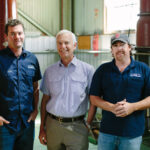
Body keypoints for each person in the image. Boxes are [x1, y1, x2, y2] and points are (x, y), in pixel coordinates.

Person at [89, 33, 150, 150]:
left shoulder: (143, 69)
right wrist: (112, 107)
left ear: (129, 47)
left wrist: (132, 107)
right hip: (107, 133)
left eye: (122, 44)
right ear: (111, 50)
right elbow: (94, 98)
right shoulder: (103, 70)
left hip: (132, 134)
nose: (119, 48)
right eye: (115, 45)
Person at [39, 29, 95, 150]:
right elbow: (44, 101)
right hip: (53, 126)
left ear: (74, 45)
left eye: (66, 43)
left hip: (77, 128)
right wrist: (42, 128)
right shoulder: (49, 71)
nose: (62, 46)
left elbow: (94, 101)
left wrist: (88, 123)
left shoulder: (88, 70)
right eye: (59, 43)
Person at [0, 19, 42, 150]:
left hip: (27, 124)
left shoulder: (32, 59)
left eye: (20, 33)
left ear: (24, 35)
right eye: (12, 33)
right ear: (6, 36)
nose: (17, 37)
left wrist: (35, 110)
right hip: (5, 125)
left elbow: (35, 87)